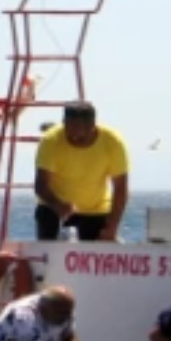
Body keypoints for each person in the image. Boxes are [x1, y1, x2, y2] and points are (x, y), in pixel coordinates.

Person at [33, 102, 129, 241]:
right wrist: (58, 205)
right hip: (55, 208)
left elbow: (120, 188)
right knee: (49, 241)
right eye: (70, 133)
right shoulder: (50, 140)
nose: (75, 139)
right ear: (63, 123)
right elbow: (41, 185)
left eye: (81, 136)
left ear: (92, 126)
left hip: (95, 210)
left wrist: (112, 227)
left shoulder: (112, 142)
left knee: (97, 254)